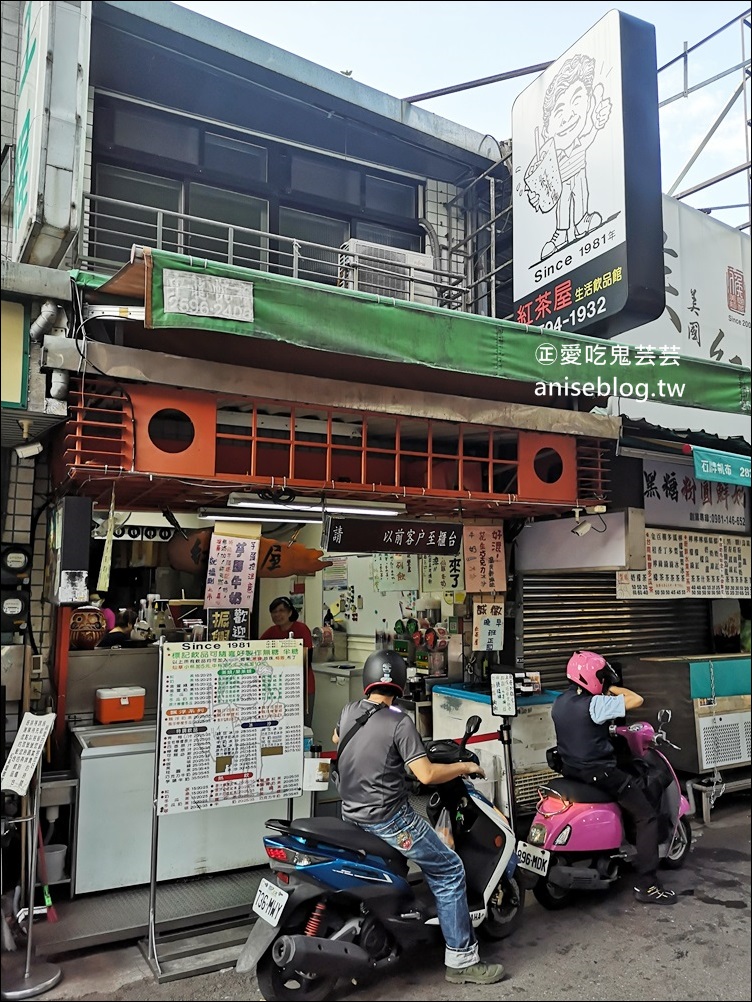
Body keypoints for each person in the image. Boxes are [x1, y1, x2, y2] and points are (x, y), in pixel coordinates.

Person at [332, 649, 506, 985]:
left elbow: (339, 740)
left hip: (351, 815)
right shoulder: (400, 721)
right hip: (389, 820)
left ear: (368, 682)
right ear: (399, 684)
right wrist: (465, 766)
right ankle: (462, 960)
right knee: (449, 868)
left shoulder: (350, 710)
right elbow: (425, 775)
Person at [551, 650, 677, 906]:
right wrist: (612, 689)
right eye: (602, 678)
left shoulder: (560, 701)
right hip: (600, 772)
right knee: (646, 815)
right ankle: (648, 885)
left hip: (573, 769)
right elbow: (636, 699)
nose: (605, 682)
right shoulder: (595, 705)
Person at [260, 596, 315, 727]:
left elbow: (307, 658)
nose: (277, 615)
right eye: (274, 612)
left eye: (281, 611)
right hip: (278, 688)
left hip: (303, 685)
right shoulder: (271, 631)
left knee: (303, 725)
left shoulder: (301, 628)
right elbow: (258, 650)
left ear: (290, 612)